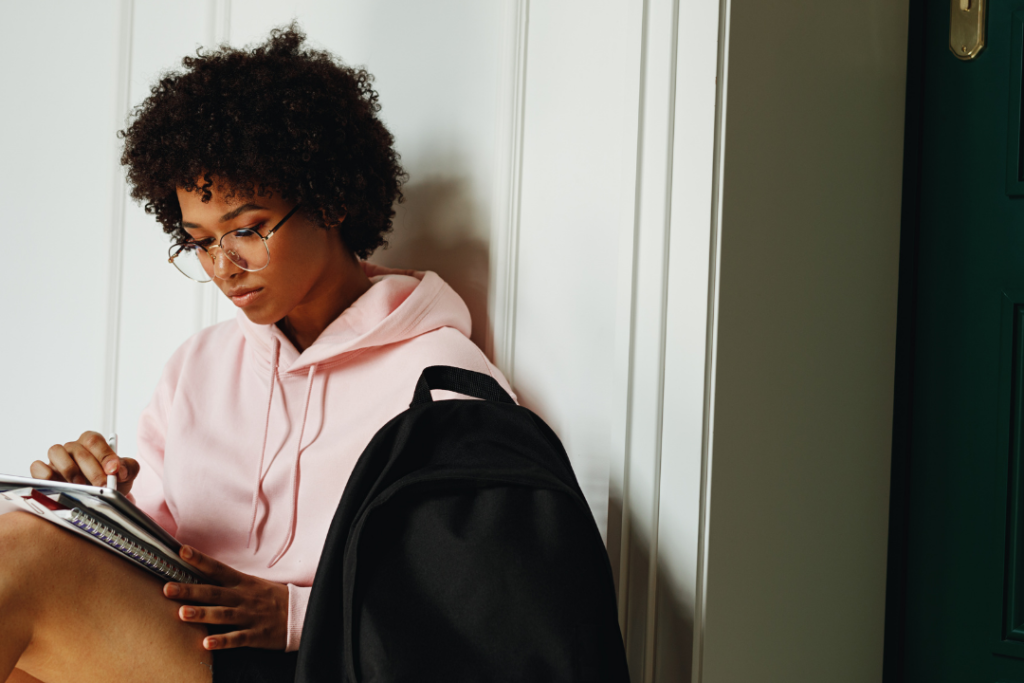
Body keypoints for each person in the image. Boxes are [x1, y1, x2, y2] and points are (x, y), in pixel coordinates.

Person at [0, 25, 511, 683]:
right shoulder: (199, 366)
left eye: (246, 230)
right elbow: (165, 550)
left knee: (25, 557)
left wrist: (297, 610)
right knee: (28, 562)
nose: (224, 265)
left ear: (332, 199)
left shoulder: (440, 381)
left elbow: (479, 602)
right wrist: (102, 504)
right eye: (199, 242)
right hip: (193, 645)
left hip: (321, 661)